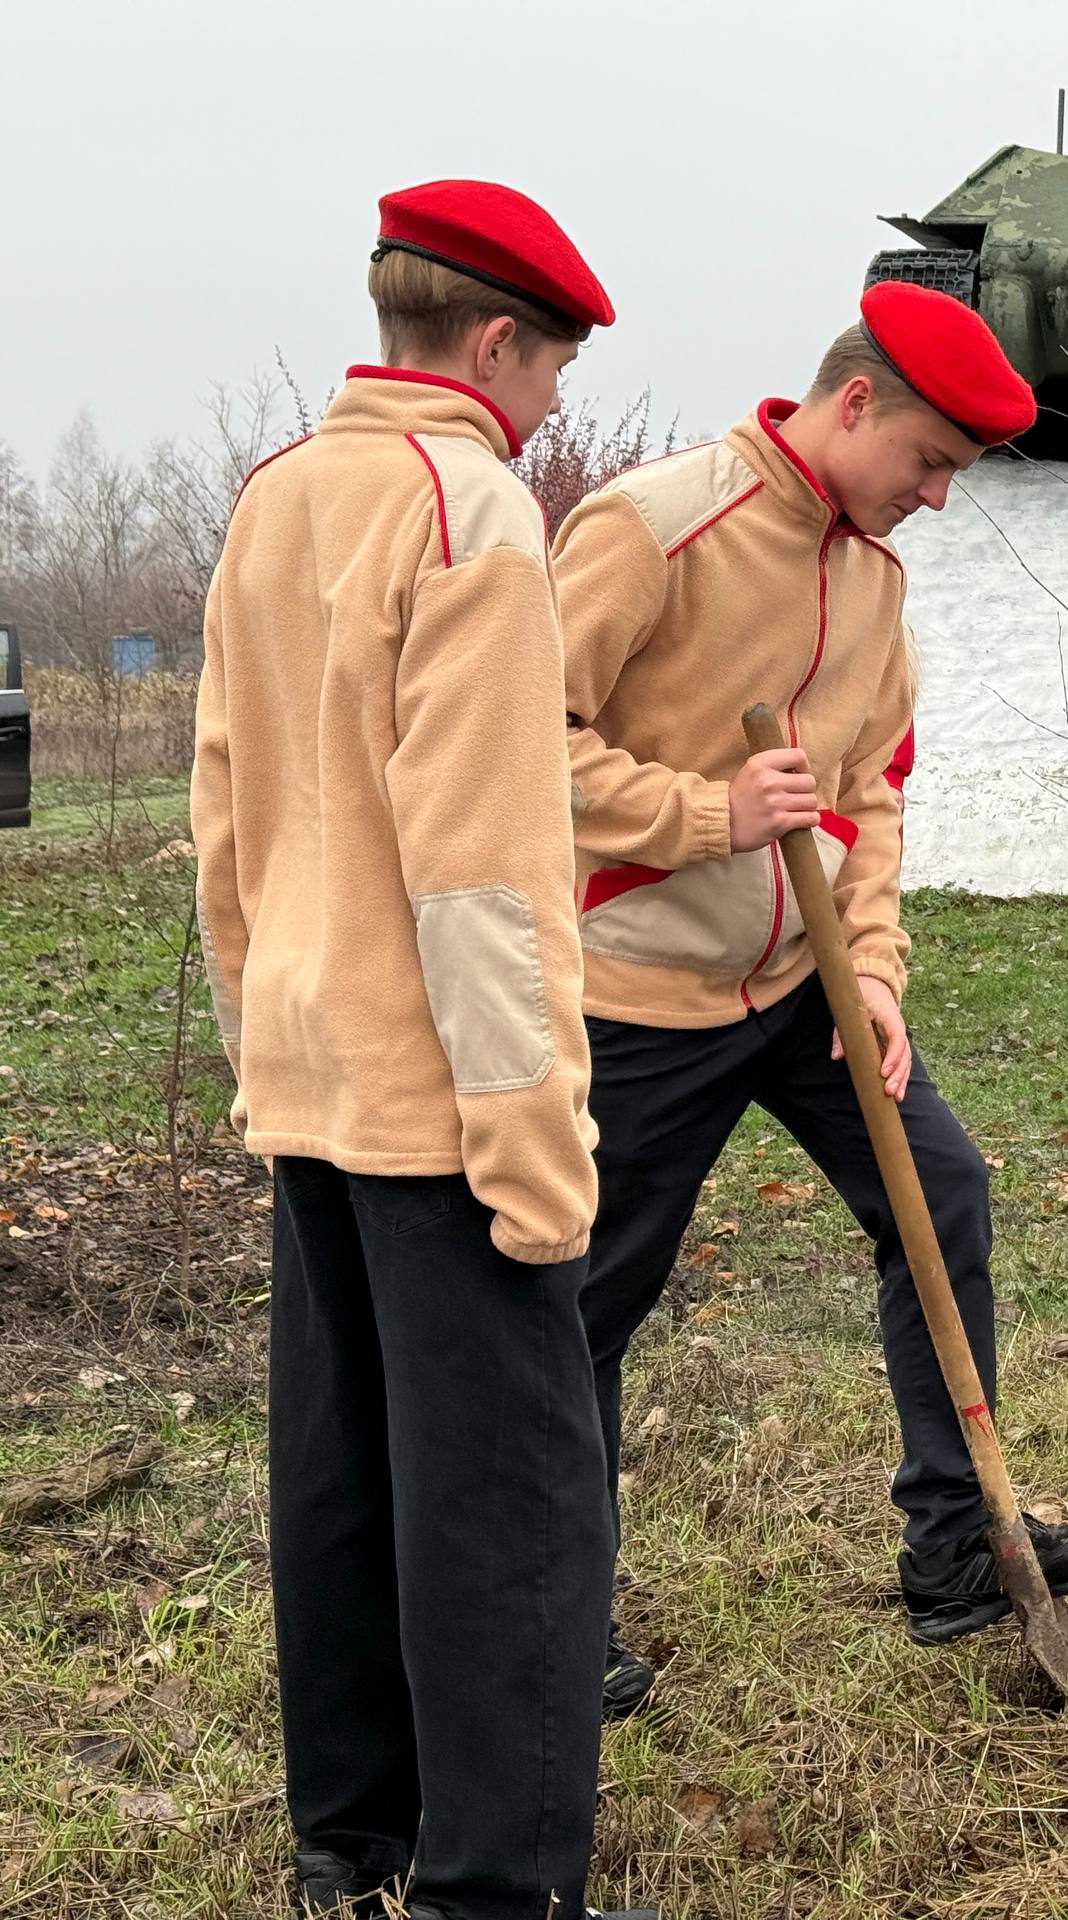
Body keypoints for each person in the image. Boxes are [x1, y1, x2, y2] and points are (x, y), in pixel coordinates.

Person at [550, 282, 1068, 1691]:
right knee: (585, 1307)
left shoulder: (873, 580)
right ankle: (551, 1617)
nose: (938, 497)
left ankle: (954, 1546)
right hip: (637, 991)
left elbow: (867, 794)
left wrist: (869, 968)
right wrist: (705, 816)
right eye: (930, 460)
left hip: (801, 988)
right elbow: (512, 741)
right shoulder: (652, 530)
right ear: (856, 400)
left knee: (941, 1192)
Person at [193, 181, 652, 1920]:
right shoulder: (468, 516)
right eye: (551, 373)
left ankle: (351, 1848)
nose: (552, 413)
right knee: (519, 1512)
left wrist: (264, 1041)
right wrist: (537, 1155)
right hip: (441, 1103)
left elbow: (226, 819)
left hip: (311, 1082)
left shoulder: (277, 501)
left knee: (340, 1475)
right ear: (488, 341)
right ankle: (493, 1889)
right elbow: (487, 878)